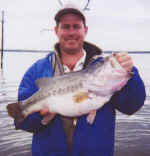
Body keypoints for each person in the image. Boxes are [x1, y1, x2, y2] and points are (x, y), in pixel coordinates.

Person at [13, 4, 146, 156]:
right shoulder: (36, 71)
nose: (71, 32)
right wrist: (41, 116)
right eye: (66, 27)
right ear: (56, 31)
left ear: (85, 30)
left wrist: (128, 72)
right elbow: (23, 123)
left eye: (76, 26)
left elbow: (131, 106)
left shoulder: (105, 75)